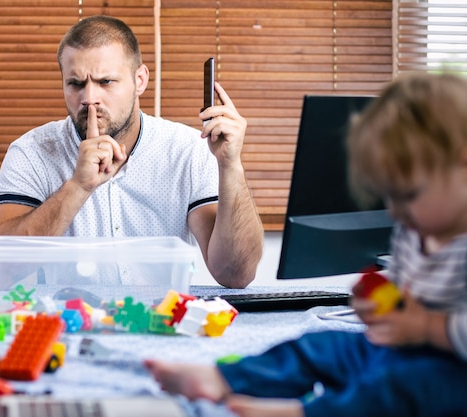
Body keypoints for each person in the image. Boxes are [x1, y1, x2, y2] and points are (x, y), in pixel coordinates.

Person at [145, 72, 467, 417]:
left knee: (397, 390)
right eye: (388, 195)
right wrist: (381, 302)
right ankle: (225, 379)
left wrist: (427, 327)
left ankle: (304, 413)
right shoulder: (413, 229)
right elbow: (402, 294)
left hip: (453, 372)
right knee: (319, 348)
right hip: (403, 350)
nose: (395, 210)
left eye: (408, 195)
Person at [0, 15, 264, 288]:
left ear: (139, 80)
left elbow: (235, 275)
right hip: (69, 326)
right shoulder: (33, 152)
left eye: (106, 82)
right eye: (76, 84)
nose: (89, 99)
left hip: (162, 325)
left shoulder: (188, 150)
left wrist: (231, 166)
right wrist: (78, 187)